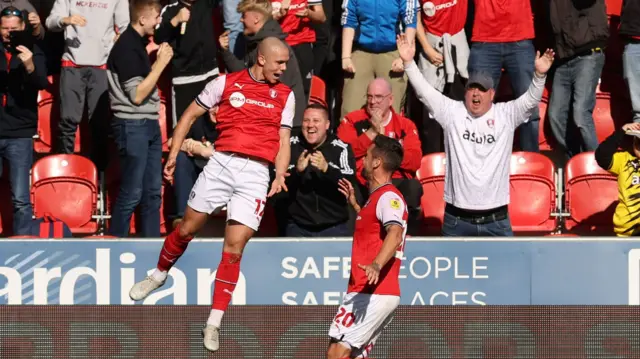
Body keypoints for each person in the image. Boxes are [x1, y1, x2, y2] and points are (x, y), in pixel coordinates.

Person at [128, 37, 294, 352]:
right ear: (261, 59)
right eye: (279, 63)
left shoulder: (286, 95)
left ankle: (214, 322)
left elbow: (284, 140)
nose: (284, 69)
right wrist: (174, 153)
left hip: (256, 173)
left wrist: (280, 173)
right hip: (221, 163)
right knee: (187, 228)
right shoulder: (224, 84)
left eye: (285, 63)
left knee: (234, 248)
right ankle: (160, 273)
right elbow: (189, 116)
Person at [397, 33, 555, 236]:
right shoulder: (452, 112)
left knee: (507, 269)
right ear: (465, 92)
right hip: (456, 221)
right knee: (455, 270)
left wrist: (539, 76)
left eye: (482, 89)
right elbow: (424, 92)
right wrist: (409, 63)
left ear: (492, 94)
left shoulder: (505, 114)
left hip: (496, 221)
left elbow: (530, 101)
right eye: (472, 88)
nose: (476, 93)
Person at [325, 135, 408, 359]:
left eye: (367, 156)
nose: (362, 160)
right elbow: (376, 230)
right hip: (367, 290)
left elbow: (395, 232)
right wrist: (355, 205)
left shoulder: (388, 197)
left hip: (373, 291)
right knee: (351, 354)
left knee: (336, 353)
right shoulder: (377, 199)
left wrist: (377, 265)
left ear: (376, 163)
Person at [106, 0, 173, 237]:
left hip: (149, 124)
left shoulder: (137, 44)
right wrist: (160, 64)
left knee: (153, 192)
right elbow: (136, 95)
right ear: (142, 19)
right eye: (156, 16)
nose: (159, 21)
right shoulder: (126, 47)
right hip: (132, 125)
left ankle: (151, 247)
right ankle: (114, 246)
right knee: (132, 192)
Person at [154, 0, 221, 226]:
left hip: (211, 75)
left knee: (215, 138)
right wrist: (174, 21)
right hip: (184, 82)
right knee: (182, 142)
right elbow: (158, 36)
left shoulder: (206, 3)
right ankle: (183, 213)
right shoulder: (170, 9)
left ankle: (216, 208)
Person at [46, 0, 129, 171]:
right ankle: (65, 169)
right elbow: (50, 22)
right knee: (67, 122)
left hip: (102, 64)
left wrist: (119, 40)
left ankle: (98, 176)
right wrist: (65, 20)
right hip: (72, 64)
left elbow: (125, 26)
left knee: (99, 123)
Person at [337, 77, 423, 234]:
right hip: (362, 181)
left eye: (378, 97)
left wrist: (386, 147)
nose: (372, 102)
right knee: (345, 187)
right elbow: (343, 153)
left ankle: (407, 238)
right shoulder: (352, 120)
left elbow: (415, 161)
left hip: (394, 182)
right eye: (369, 96)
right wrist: (372, 133)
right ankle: (349, 241)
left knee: (413, 187)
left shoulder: (405, 126)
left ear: (390, 99)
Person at [218, 0, 305, 129]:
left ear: (256, 19)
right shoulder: (256, 41)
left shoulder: (272, 45)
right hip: (272, 116)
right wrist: (224, 52)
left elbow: (278, 90)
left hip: (285, 123)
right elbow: (244, 74)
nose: (241, 20)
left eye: (244, 16)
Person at [0, 7, 47, 235]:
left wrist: (28, 65)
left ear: (22, 28)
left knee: (20, 197)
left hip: (19, 133)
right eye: (5, 28)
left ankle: (23, 244)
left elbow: (41, 83)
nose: (9, 33)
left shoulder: (34, 50)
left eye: (14, 28)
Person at [276, 103, 356, 237]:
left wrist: (327, 169)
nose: (310, 125)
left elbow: (350, 181)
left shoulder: (341, 148)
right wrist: (297, 171)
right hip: (297, 226)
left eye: (316, 121)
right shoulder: (290, 145)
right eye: (306, 120)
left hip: (334, 226)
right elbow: (277, 182)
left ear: (327, 125)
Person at [547, 0, 608, 159]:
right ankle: (576, 160)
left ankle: (597, 164)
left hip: (588, 54)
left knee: (581, 114)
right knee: (555, 115)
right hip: (563, 58)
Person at [594, 123, 640, 237]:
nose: (639, 146)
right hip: (626, 231)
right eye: (637, 141)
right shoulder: (624, 159)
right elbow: (601, 155)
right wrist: (622, 131)